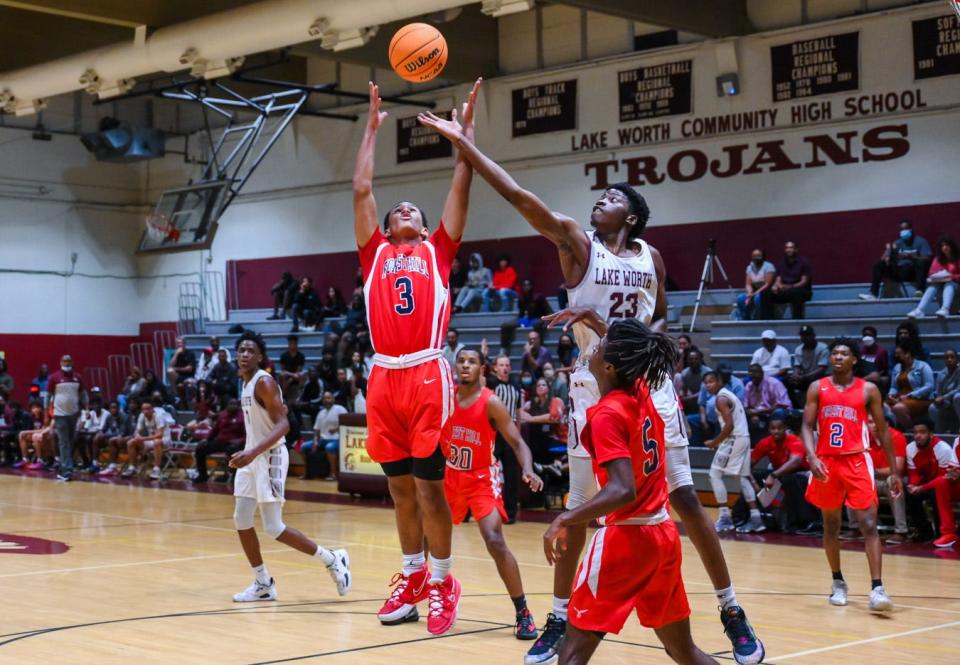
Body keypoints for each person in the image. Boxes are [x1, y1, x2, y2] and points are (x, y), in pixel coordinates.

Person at [420, 110, 763, 665]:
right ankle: (559, 618)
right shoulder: (578, 243)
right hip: (592, 387)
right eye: (598, 197)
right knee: (581, 504)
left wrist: (617, 333)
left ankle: (730, 608)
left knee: (683, 500)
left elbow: (660, 323)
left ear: (632, 214)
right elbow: (517, 195)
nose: (598, 202)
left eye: (610, 197)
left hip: (649, 384)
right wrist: (465, 147)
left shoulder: (650, 256)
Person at [353, 79, 479, 635]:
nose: (403, 210)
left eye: (412, 209)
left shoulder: (438, 251)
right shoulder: (373, 254)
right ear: (386, 229)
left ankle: (444, 578)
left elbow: (462, 180)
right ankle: (411, 576)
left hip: (427, 370)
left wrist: (465, 139)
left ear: (425, 228)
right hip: (383, 376)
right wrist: (372, 128)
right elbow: (361, 190)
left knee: (431, 488)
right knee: (399, 489)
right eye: (395, 208)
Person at [542, 320, 717, 665]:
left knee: (571, 655)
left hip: (627, 538)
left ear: (609, 366)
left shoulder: (607, 414)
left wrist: (565, 517)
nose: (596, 344)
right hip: (662, 536)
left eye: (602, 343)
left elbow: (623, 489)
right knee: (685, 652)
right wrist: (594, 317)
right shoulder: (640, 388)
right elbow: (633, 346)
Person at [226, 331, 350, 601]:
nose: (245, 354)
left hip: (270, 457)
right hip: (252, 457)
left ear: (260, 357)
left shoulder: (264, 383)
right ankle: (263, 583)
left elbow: (284, 425)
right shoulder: (245, 384)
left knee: (273, 527)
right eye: (241, 350)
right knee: (241, 518)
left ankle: (332, 559)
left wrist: (253, 452)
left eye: (250, 351)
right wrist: (248, 452)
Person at [447, 348, 543, 638]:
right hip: (449, 475)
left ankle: (522, 611)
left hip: (480, 478)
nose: (465, 365)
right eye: (461, 361)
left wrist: (528, 468)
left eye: (471, 361)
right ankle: (415, 594)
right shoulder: (445, 397)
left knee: (494, 539)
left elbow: (517, 443)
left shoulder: (492, 403)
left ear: (482, 369)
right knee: (427, 537)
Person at [801, 338, 901, 613]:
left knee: (868, 523)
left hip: (857, 459)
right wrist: (811, 457)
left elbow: (883, 432)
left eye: (844, 353)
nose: (838, 357)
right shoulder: (816, 387)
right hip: (826, 463)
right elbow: (807, 427)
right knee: (831, 525)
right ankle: (837, 582)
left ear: (855, 359)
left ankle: (877, 588)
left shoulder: (868, 389)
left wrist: (894, 472)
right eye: (834, 353)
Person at [703, 369, 765, 534]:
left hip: (734, 439)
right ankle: (756, 518)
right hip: (742, 437)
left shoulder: (721, 398)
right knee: (743, 477)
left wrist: (714, 442)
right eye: (706, 383)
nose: (708, 385)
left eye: (711, 381)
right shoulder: (728, 395)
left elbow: (729, 425)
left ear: (720, 381)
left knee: (714, 475)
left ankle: (724, 518)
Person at [847, 416, 909, 545]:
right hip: (871, 479)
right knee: (851, 482)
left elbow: (897, 468)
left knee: (893, 481)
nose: (874, 425)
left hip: (892, 478)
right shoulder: (864, 438)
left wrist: (872, 471)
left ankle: (901, 531)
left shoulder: (896, 437)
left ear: (886, 423)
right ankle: (855, 528)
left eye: (877, 421)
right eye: (870, 422)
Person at [750, 416, 814, 533]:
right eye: (773, 428)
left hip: (802, 473)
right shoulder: (765, 443)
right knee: (758, 476)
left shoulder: (794, 440)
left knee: (791, 480)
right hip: (781, 474)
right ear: (768, 430)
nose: (776, 431)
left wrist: (773, 475)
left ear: (785, 428)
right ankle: (753, 518)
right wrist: (754, 483)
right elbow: (748, 465)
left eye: (779, 428)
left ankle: (804, 522)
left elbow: (796, 462)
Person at [904, 418, 959, 547]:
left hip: (935, 484)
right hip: (928, 484)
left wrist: (922, 487)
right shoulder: (910, 448)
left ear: (931, 434)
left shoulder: (943, 449)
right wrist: (913, 486)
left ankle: (941, 533)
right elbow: (914, 473)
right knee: (910, 495)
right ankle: (924, 532)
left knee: (937, 490)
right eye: (915, 432)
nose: (918, 435)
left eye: (922, 432)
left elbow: (942, 476)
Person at [486, 353, 525, 524]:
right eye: (501, 365)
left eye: (507, 365)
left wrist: (518, 434)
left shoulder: (516, 385)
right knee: (483, 474)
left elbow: (518, 413)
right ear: (495, 368)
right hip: (492, 434)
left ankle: (510, 513)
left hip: (509, 435)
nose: (505, 368)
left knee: (511, 476)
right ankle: (477, 510)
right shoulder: (490, 383)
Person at [862, 219, 933, 300]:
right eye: (902, 229)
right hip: (898, 271)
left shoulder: (921, 241)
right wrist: (889, 253)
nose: (904, 231)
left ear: (911, 229)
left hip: (913, 271)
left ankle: (920, 290)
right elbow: (883, 258)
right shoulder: (897, 243)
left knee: (921, 262)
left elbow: (927, 258)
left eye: (906, 229)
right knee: (878, 264)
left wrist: (911, 257)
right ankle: (873, 293)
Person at [48, 354, 84, 482]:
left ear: (72, 362)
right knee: (64, 442)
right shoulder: (54, 377)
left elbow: (83, 394)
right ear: (60, 362)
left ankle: (64, 468)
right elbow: (48, 395)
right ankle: (67, 471)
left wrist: (86, 408)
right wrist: (48, 411)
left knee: (69, 441)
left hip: (73, 414)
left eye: (69, 360)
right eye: (64, 360)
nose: (67, 363)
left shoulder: (78, 377)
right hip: (60, 414)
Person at [192, 398, 246, 484]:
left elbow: (246, 434)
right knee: (200, 448)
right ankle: (202, 475)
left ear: (238, 406)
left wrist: (240, 441)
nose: (232, 406)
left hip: (234, 444)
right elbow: (214, 430)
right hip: (220, 442)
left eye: (234, 404)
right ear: (227, 406)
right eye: (231, 404)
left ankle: (234, 477)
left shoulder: (242, 417)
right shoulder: (222, 415)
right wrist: (206, 439)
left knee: (233, 451)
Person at [907, 236, 959, 318]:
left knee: (949, 284)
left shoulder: (958, 258)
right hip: (940, 284)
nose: (944, 248)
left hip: (956, 285)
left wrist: (952, 276)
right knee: (933, 286)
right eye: (942, 246)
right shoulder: (938, 259)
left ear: (952, 246)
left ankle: (945, 309)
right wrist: (937, 276)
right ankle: (920, 310)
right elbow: (931, 272)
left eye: (947, 245)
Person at [500, 279, 553, 356]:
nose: (526, 287)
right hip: (527, 319)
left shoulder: (539, 297)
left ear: (531, 286)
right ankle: (503, 350)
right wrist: (517, 322)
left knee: (537, 324)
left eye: (528, 285)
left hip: (539, 318)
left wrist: (547, 321)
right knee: (505, 325)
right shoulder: (521, 298)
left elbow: (549, 311)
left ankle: (539, 348)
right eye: (524, 285)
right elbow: (521, 314)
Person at [887, 345, 935, 429]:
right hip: (900, 398)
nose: (896, 356)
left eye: (899, 354)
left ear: (907, 354)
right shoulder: (897, 367)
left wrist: (910, 395)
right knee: (882, 405)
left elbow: (929, 386)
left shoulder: (923, 366)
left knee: (899, 408)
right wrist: (891, 394)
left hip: (919, 399)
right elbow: (893, 386)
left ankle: (912, 431)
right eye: (896, 354)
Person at [521, 377, 567, 464]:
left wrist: (532, 419)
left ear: (548, 388)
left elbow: (554, 418)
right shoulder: (532, 404)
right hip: (539, 439)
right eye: (538, 385)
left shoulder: (556, 401)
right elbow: (522, 415)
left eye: (543, 385)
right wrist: (522, 398)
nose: (541, 387)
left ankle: (549, 465)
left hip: (557, 438)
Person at [743, 363, 791, 442]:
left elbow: (782, 406)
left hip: (773, 413)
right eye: (751, 373)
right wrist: (753, 414)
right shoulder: (749, 385)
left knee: (779, 412)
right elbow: (746, 406)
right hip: (758, 414)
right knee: (741, 413)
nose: (753, 375)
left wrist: (758, 411)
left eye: (755, 372)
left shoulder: (774, 383)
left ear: (762, 373)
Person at [308, 391, 347, 481]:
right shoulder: (321, 413)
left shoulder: (340, 409)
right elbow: (316, 430)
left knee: (329, 447)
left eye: (329, 398)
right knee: (304, 447)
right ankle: (307, 473)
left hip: (337, 439)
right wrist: (315, 441)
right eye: (325, 398)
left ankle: (333, 473)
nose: (327, 400)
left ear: (333, 399)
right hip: (322, 439)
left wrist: (336, 429)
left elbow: (346, 423)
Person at [787, 325, 829, 407]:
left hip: (820, 377)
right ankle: (796, 407)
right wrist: (795, 374)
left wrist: (804, 377)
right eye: (803, 336)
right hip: (805, 377)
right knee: (787, 382)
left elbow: (822, 369)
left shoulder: (823, 348)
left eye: (807, 335)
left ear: (813, 336)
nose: (805, 338)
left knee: (816, 381)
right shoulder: (798, 349)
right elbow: (797, 366)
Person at [771, 241, 812, 319]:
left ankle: (797, 321)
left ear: (796, 249)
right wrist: (776, 286)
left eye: (791, 247)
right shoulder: (781, 263)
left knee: (795, 292)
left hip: (800, 291)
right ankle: (768, 321)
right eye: (787, 248)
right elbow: (778, 279)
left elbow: (804, 281)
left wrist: (790, 287)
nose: (788, 250)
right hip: (785, 290)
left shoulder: (804, 262)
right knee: (766, 293)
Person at [95, 401, 134, 477]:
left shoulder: (124, 417)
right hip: (114, 438)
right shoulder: (109, 417)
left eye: (115, 407)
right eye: (111, 408)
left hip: (126, 437)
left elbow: (122, 433)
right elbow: (103, 429)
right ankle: (95, 463)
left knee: (112, 440)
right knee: (95, 439)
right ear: (109, 409)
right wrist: (99, 433)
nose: (113, 409)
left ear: (119, 408)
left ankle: (113, 466)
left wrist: (106, 435)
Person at [736, 249, 776, 320]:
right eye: (754, 256)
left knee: (758, 298)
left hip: (765, 292)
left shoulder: (769, 266)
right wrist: (749, 294)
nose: (756, 258)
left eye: (758, 256)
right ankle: (745, 319)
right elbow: (748, 284)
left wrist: (754, 294)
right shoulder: (749, 268)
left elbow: (767, 284)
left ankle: (757, 319)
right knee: (740, 298)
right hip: (753, 291)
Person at [930, 349, 960, 433]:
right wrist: (936, 398)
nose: (949, 359)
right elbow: (937, 391)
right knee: (932, 407)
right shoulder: (941, 374)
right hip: (946, 403)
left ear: (957, 359)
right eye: (947, 358)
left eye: (952, 357)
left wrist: (943, 397)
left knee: (957, 397)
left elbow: (959, 388)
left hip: (957, 402)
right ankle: (939, 433)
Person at [75, 397, 108, 473]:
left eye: (97, 404)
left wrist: (86, 432)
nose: (96, 406)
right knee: (78, 438)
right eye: (94, 405)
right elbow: (87, 427)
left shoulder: (106, 414)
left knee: (90, 439)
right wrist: (81, 431)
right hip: (92, 435)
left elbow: (101, 429)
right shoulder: (92, 413)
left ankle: (94, 463)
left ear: (101, 405)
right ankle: (85, 461)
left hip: (104, 437)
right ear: (92, 406)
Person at [675, 348, 710, 414]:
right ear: (688, 360)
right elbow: (684, 389)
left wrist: (688, 398)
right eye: (691, 359)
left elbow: (708, 391)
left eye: (696, 359)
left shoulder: (707, 372)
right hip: (693, 398)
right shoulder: (685, 373)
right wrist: (681, 396)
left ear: (700, 360)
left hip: (706, 399)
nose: (693, 361)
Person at [166, 337, 197, 406]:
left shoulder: (190, 354)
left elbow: (189, 369)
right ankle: (176, 395)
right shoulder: (174, 354)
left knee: (184, 385)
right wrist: (176, 354)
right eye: (177, 343)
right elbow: (170, 366)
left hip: (189, 376)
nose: (179, 345)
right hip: (178, 377)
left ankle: (189, 403)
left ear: (184, 344)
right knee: (169, 371)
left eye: (180, 343)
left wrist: (176, 369)